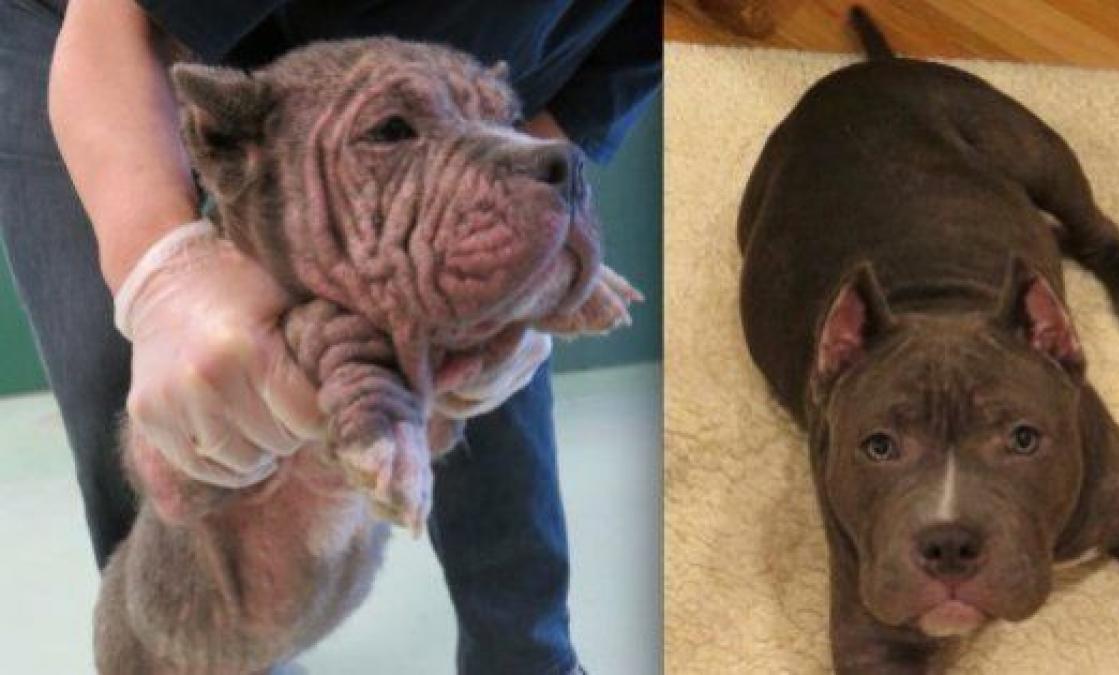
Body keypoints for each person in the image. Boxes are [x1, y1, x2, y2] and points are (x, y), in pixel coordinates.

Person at [0, 0, 661, 672]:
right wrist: (160, 272)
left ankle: (527, 657)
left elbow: (578, 101)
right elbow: (115, 28)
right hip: (105, 37)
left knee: (486, 372)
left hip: (418, 89)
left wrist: (514, 240)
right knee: (142, 399)